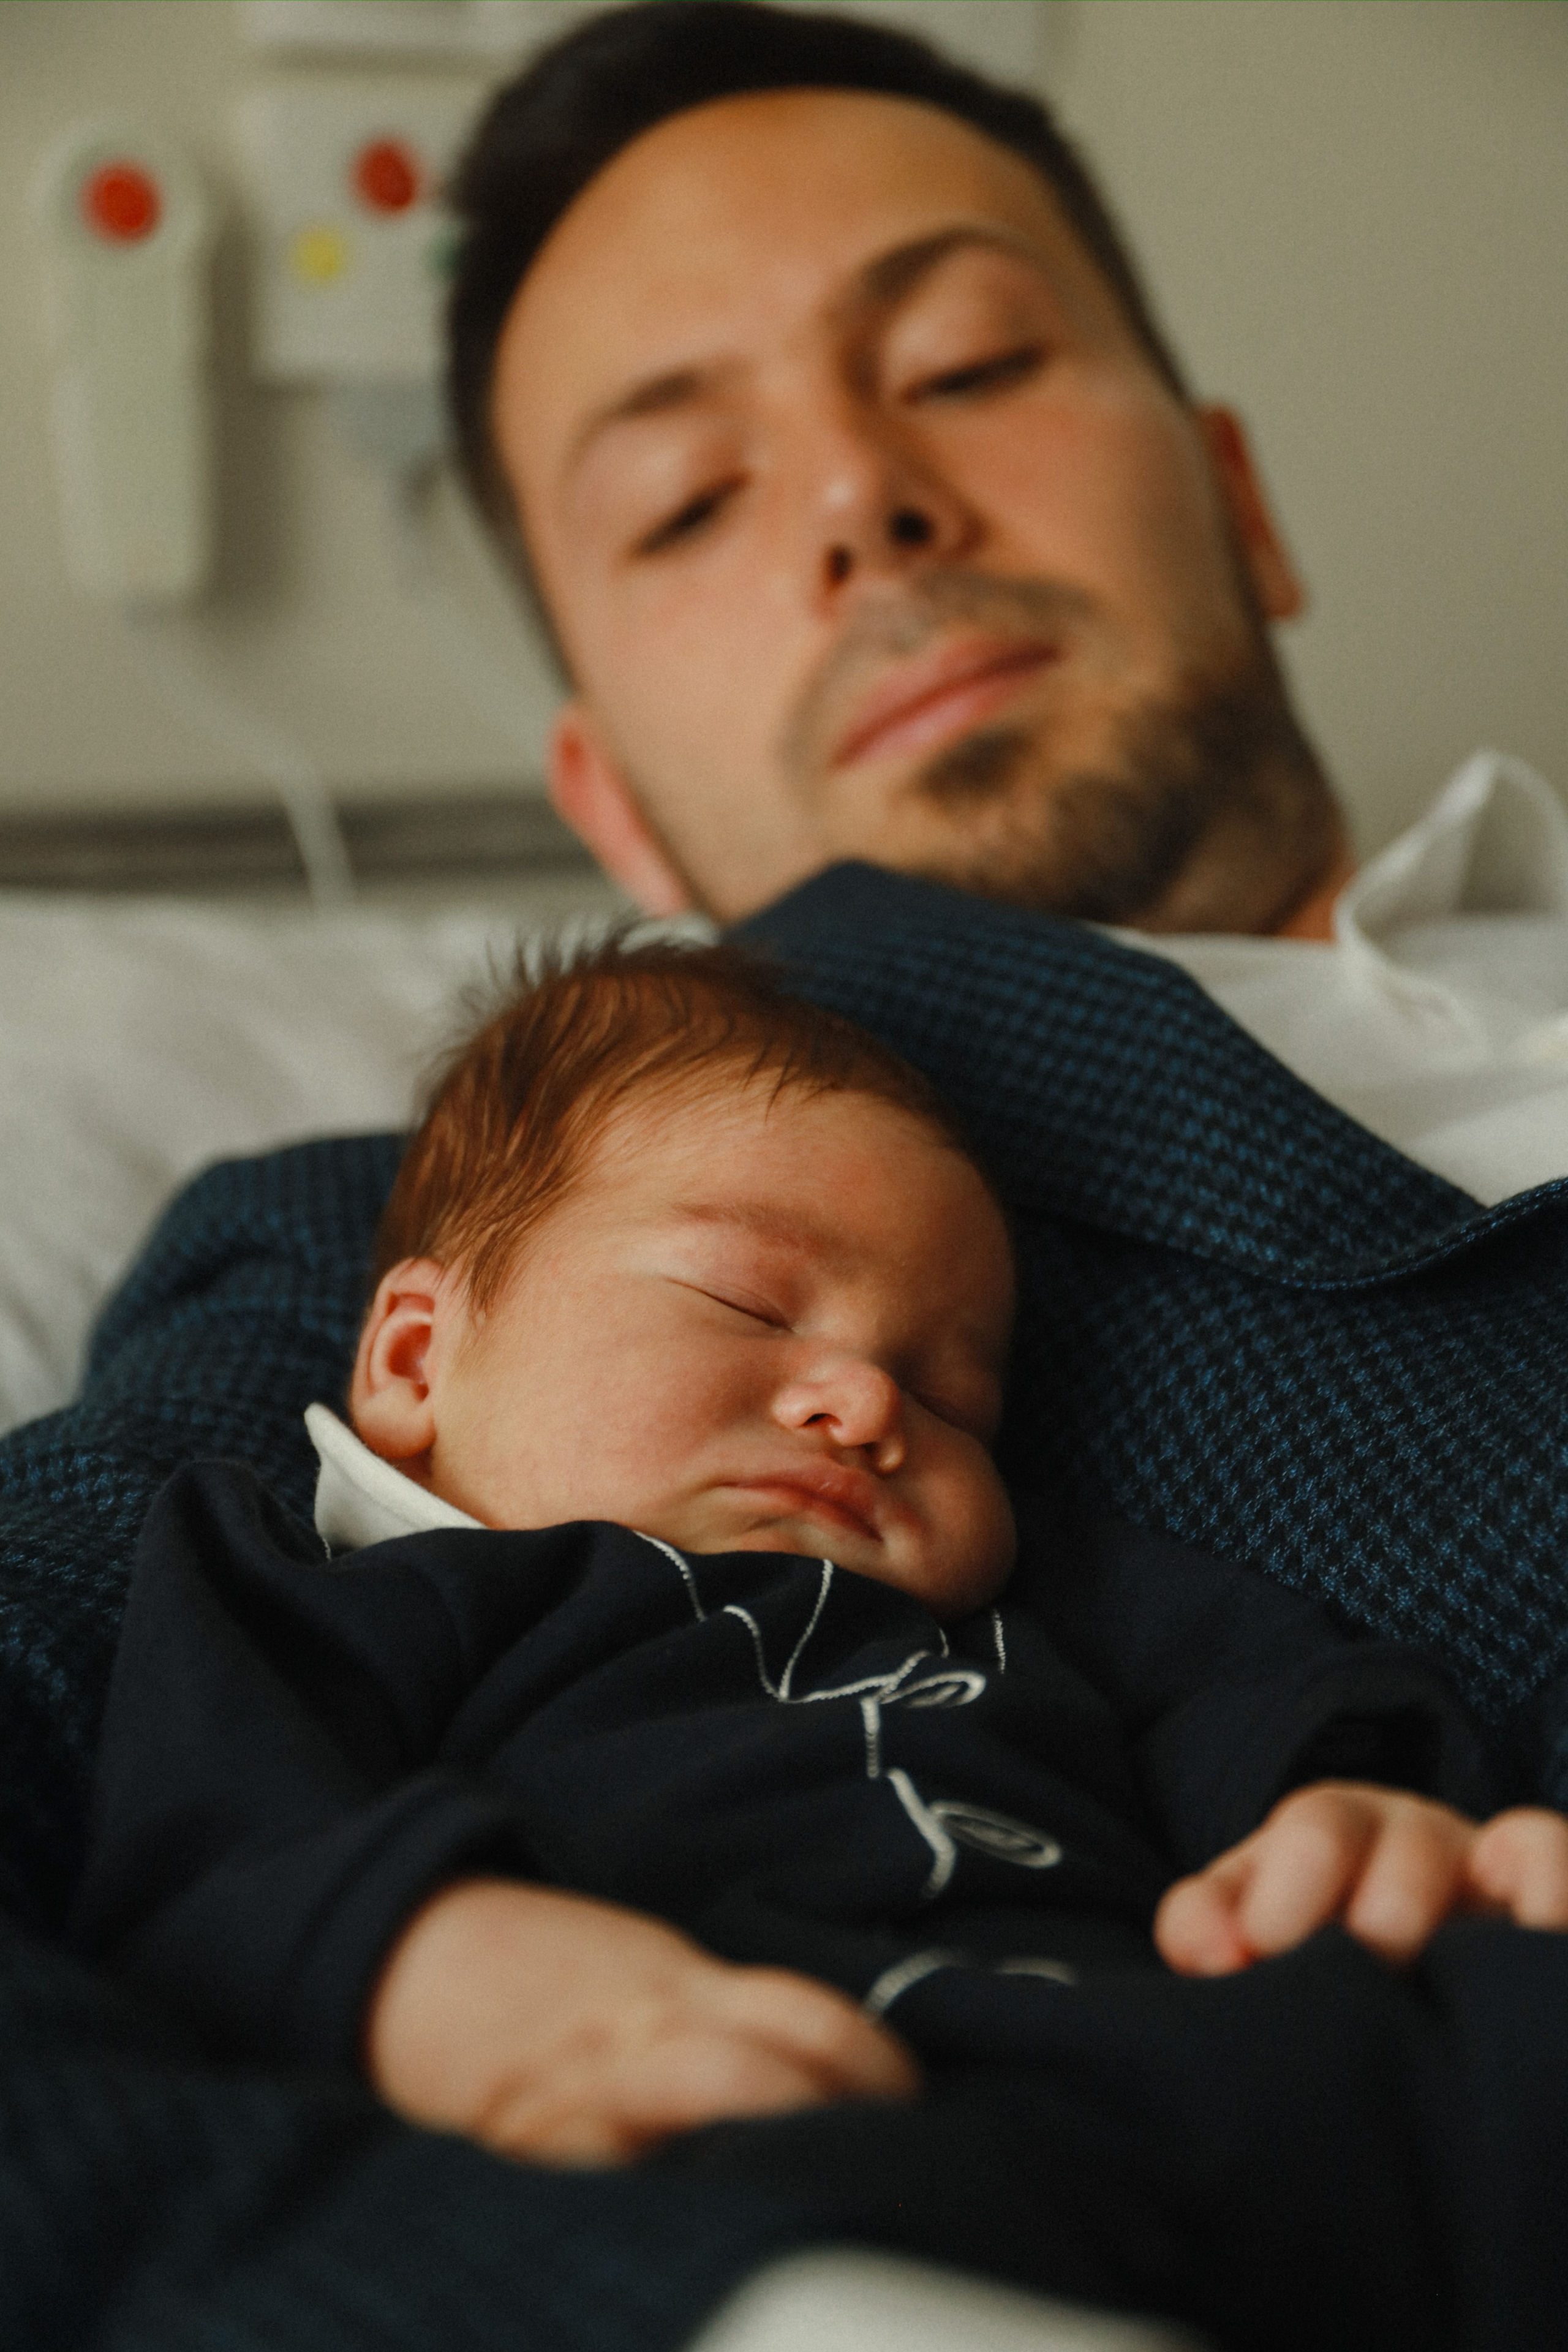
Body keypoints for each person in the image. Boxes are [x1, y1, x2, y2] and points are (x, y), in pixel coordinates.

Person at [2, 6, 1566, 2346]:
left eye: (963, 359)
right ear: (612, 805)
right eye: (688, 501)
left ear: (1240, 497)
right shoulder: (466, 1227)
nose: (862, 496)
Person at [72, 944, 1568, 2351]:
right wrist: (445, 1969)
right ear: (414, 1357)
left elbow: (1261, 1678)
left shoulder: (1024, 1593)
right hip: (787, 2077)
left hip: (1223, 2041)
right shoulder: (340, 1585)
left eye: (952, 1394)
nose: (864, 1403)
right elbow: (207, 1827)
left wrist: (1348, 1816)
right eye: (745, 1302)